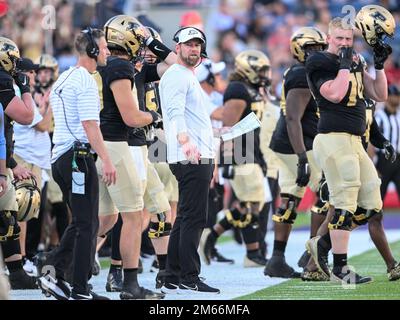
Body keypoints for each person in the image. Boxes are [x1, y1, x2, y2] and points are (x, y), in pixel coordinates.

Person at [305, 9, 392, 283]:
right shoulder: (318, 60)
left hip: (356, 141)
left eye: (349, 38)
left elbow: (379, 94)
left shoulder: (355, 59)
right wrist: (344, 64)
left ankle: (320, 245)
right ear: (329, 37)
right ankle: (340, 269)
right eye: (340, 38)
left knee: (371, 205)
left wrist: (378, 66)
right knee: (344, 204)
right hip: (333, 137)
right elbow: (334, 93)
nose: (345, 43)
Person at [37, 28, 117, 300]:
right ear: (93, 50)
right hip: (77, 157)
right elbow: (89, 126)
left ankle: (53, 269)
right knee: (87, 225)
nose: (107, 51)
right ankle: (78, 287)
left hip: (63, 158)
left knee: (82, 222)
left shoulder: (66, 76)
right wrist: (106, 160)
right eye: (104, 47)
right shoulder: (84, 80)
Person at [95, 15, 164, 300]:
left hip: (108, 145)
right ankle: (130, 284)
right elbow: (131, 116)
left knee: (104, 220)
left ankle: (64, 268)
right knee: (134, 219)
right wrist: (155, 117)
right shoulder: (120, 67)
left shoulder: (111, 65)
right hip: (116, 146)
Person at [159, 26, 219, 294]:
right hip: (190, 155)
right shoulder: (178, 75)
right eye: (189, 44)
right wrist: (186, 142)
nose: (193, 48)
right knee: (194, 218)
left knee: (185, 217)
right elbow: (174, 111)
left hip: (194, 153)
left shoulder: (185, 75)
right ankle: (189, 276)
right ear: (178, 48)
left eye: (197, 45)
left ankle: (171, 274)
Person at [265, 27, 327, 278]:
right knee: (327, 194)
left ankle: (277, 259)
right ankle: (314, 254)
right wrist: (302, 156)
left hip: (288, 142)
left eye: (320, 47)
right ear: (298, 49)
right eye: (311, 48)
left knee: (290, 197)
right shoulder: (302, 73)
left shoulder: (300, 71)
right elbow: (293, 117)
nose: (317, 52)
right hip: (299, 143)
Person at [201, 50, 270, 269]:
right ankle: (252, 253)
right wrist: (227, 161)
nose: (264, 74)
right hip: (240, 153)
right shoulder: (238, 89)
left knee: (250, 204)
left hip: (251, 152)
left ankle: (212, 235)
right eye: (260, 69)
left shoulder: (251, 88)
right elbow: (228, 128)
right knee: (252, 203)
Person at [0, 36, 37, 290]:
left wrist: (10, 165)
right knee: (9, 212)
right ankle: (16, 272)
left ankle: (16, 272)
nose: (17, 69)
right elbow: (27, 116)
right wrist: (25, 89)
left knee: (9, 212)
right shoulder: (2, 80)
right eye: (14, 62)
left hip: (4, 157)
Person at [374, 85, 400, 200]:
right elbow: (371, 140)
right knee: (378, 197)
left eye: (398, 96)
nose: (397, 98)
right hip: (384, 160)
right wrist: (373, 165)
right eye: (395, 95)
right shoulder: (379, 116)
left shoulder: (399, 116)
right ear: (388, 97)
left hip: (398, 159)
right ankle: (374, 218)